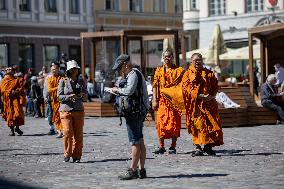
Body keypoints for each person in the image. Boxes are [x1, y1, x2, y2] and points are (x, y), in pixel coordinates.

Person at [111, 54, 148, 180]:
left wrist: (116, 90)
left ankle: (132, 170)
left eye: (120, 68)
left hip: (134, 112)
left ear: (126, 64)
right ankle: (141, 170)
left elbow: (129, 91)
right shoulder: (134, 73)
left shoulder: (133, 74)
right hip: (139, 111)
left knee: (135, 141)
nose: (119, 71)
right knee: (140, 140)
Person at [182, 53, 223, 156]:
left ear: (202, 60)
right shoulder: (187, 74)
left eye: (199, 59)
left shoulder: (209, 73)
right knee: (197, 125)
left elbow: (215, 86)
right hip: (195, 105)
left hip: (209, 104)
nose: (197, 61)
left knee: (210, 125)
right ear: (191, 61)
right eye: (195, 60)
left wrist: (212, 96)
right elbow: (186, 89)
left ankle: (208, 147)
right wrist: (199, 96)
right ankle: (198, 147)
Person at [152, 49, 184, 154]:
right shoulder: (158, 70)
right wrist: (154, 100)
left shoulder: (178, 71)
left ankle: (173, 146)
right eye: (165, 57)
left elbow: (182, 86)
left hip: (174, 102)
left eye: (169, 56)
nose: (167, 58)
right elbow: (155, 86)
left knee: (174, 123)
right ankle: (161, 146)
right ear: (163, 57)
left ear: (173, 57)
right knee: (161, 123)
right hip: (162, 101)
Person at [58, 60, 87, 163]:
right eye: (72, 69)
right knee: (67, 132)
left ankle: (77, 155)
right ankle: (67, 153)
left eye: (75, 68)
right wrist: (69, 96)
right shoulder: (63, 80)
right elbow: (59, 96)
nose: (74, 70)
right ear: (68, 70)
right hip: (66, 110)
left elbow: (86, 97)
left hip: (79, 110)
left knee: (78, 135)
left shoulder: (81, 81)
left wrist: (83, 95)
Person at [1, 67, 26, 136]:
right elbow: (3, 90)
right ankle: (12, 131)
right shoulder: (4, 80)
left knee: (17, 114)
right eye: (7, 69)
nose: (8, 70)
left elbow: (22, 88)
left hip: (16, 99)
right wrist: (10, 92)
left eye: (10, 69)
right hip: (8, 100)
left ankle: (17, 128)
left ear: (13, 71)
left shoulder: (16, 79)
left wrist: (16, 91)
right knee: (10, 115)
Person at [47, 62, 64, 138]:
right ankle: (59, 131)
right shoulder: (49, 79)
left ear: (58, 69)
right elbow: (49, 90)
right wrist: (59, 87)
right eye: (53, 69)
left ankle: (64, 130)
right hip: (55, 100)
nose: (54, 70)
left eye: (56, 69)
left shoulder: (62, 77)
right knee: (56, 116)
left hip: (63, 100)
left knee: (63, 116)